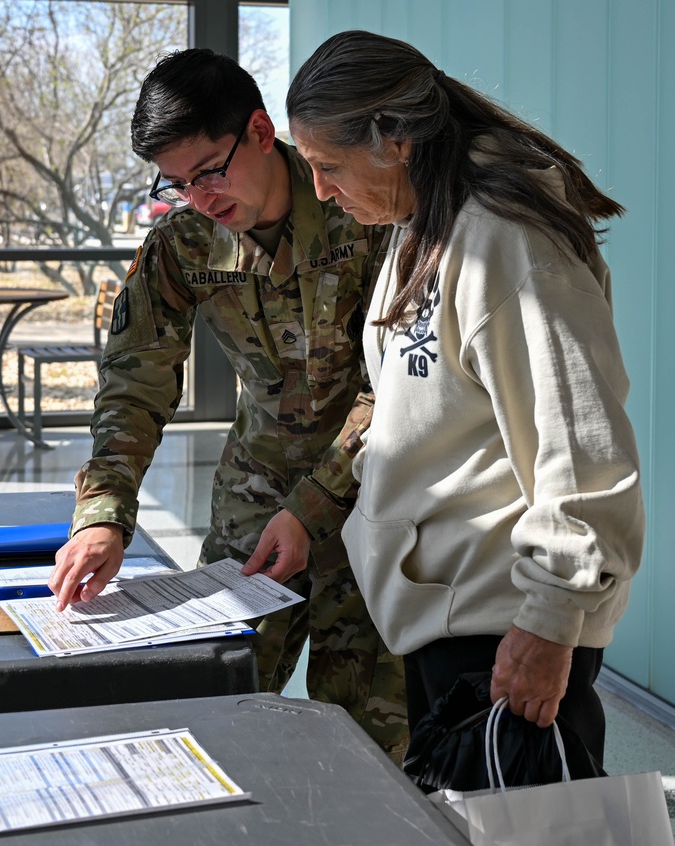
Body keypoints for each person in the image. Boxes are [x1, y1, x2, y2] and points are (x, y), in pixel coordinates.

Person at [285, 31, 645, 766]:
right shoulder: (426, 219)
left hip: (507, 624)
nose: (320, 189)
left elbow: (582, 446)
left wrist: (550, 620)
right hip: (448, 615)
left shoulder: (503, 238)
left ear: (396, 142)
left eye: (328, 166)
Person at [47, 48, 409, 760]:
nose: (200, 197)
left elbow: (395, 385)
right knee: (217, 718)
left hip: (373, 505)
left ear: (260, 131)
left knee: (374, 744)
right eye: (178, 183)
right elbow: (134, 380)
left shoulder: (360, 215)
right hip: (253, 506)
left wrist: (313, 507)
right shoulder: (182, 244)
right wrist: (105, 513)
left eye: (210, 170)